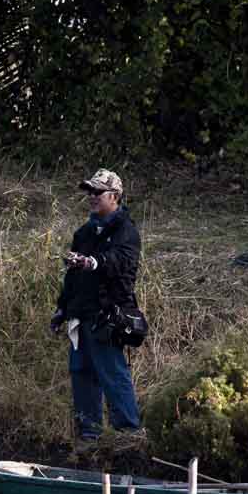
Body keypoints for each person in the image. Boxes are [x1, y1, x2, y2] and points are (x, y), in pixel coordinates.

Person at [49, 168, 143, 443]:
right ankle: (89, 438)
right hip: (81, 314)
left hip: (109, 315)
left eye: (97, 191)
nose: (91, 196)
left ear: (114, 196)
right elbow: (72, 275)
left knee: (112, 374)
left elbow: (119, 261)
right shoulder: (84, 232)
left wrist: (92, 262)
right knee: (81, 374)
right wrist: (62, 309)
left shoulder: (127, 231)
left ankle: (128, 436)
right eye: (89, 191)